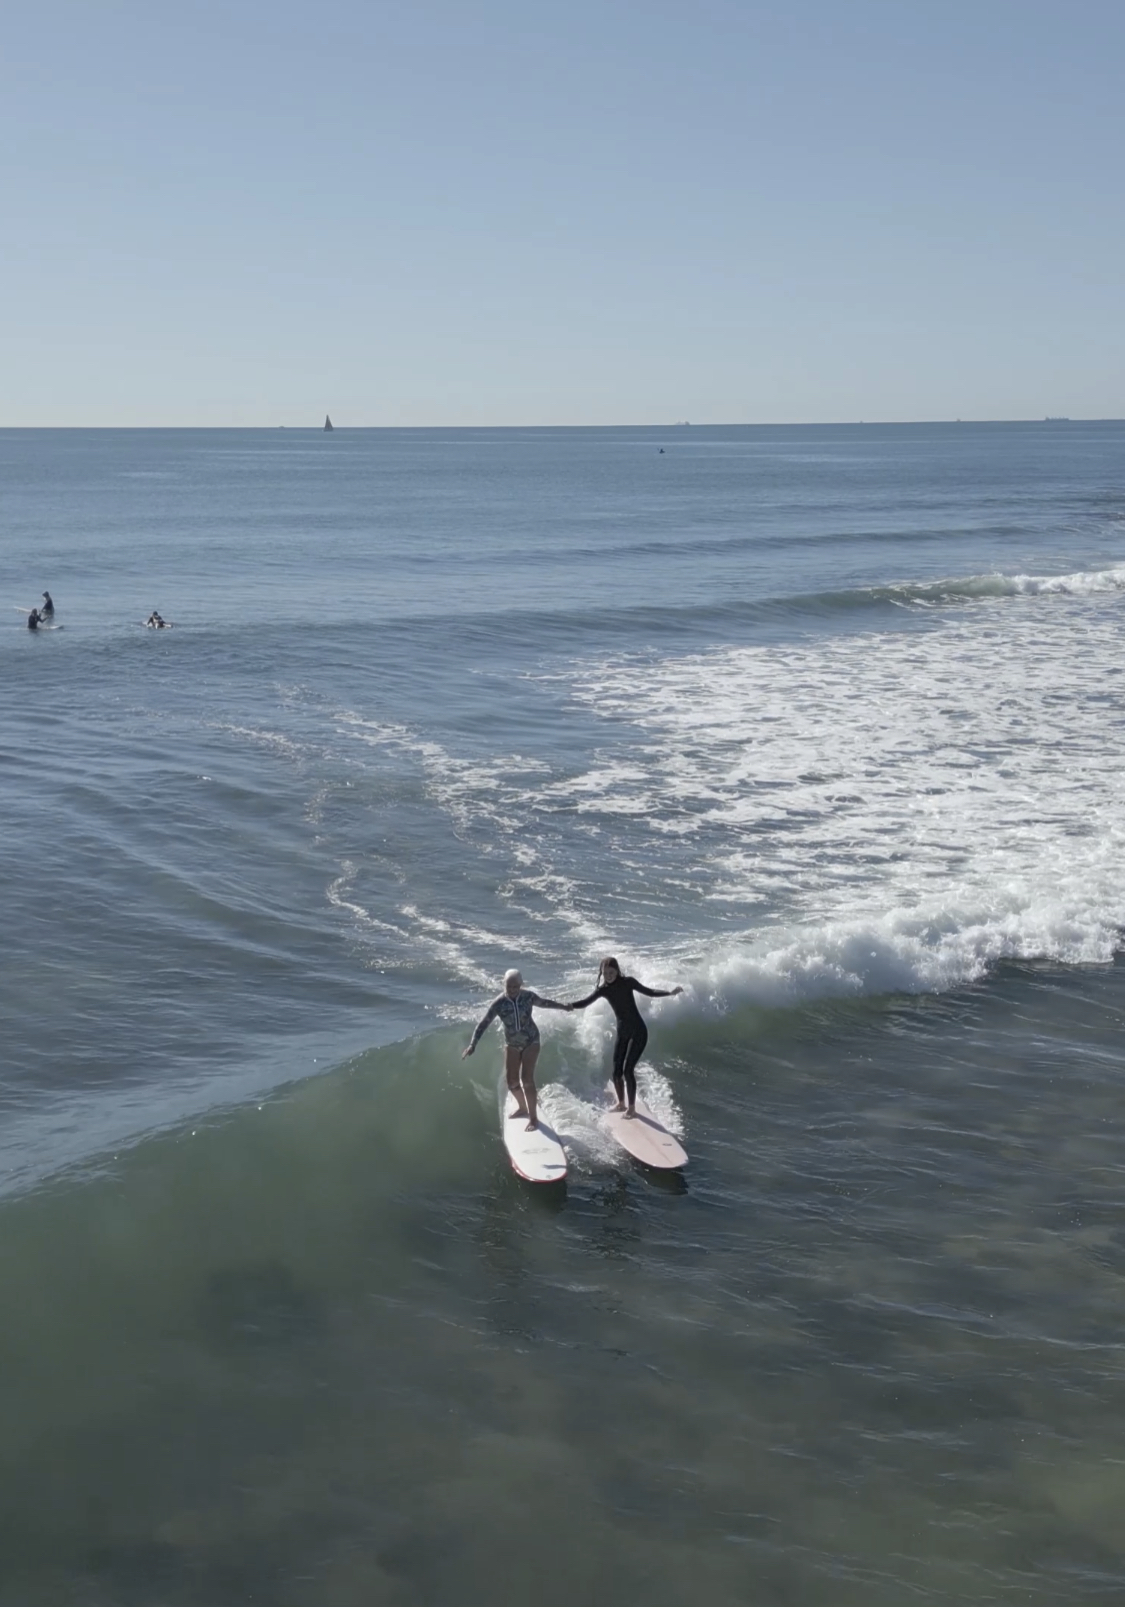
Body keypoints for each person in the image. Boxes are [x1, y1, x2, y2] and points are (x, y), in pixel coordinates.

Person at [566, 956, 683, 1117]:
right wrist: (569, 1006)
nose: (608, 975)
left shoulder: (628, 982)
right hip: (623, 1031)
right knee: (616, 1072)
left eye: (611, 972)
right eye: (605, 973)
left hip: (639, 1031)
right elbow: (586, 1002)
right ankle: (621, 1103)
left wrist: (669, 993)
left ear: (617, 970)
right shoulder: (603, 990)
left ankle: (632, 1108)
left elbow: (650, 992)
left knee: (628, 1071)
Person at [462, 968, 569, 1131]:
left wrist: (563, 1007)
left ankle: (533, 1119)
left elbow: (545, 1003)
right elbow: (483, 1024)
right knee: (511, 1082)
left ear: (521, 985)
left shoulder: (528, 996)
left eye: (515, 987)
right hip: (511, 1043)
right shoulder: (498, 1004)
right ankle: (522, 1107)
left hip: (531, 1040)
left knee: (527, 1079)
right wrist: (472, 1045)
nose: (512, 990)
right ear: (503, 984)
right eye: (508, 987)